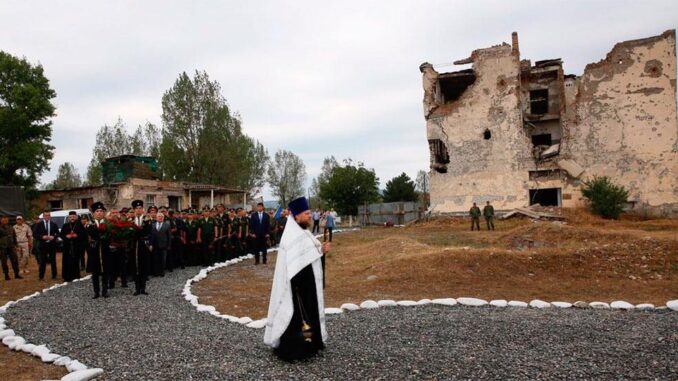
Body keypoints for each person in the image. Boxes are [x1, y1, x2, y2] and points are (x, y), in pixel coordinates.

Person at [264, 196, 329, 362]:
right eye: (306, 213)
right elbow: (293, 266)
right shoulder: (292, 236)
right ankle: (295, 350)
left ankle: (312, 345)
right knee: (297, 319)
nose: (309, 216)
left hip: (308, 287)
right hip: (296, 289)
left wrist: (322, 251)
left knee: (310, 315)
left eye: (309, 213)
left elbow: (309, 258)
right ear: (296, 216)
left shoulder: (304, 233)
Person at [87, 202, 111, 298]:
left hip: (105, 251)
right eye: (97, 211)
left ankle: (105, 291)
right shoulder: (90, 224)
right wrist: (101, 234)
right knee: (95, 273)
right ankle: (96, 292)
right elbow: (94, 235)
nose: (99, 213)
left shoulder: (108, 224)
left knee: (105, 272)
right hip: (94, 252)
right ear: (93, 213)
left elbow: (109, 236)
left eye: (101, 211)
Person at [130, 200, 151, 295]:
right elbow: (130, 234)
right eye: (136, 209)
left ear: (143, 209)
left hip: (143, 245)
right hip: (134, 247)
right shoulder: (130, 221)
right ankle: (137, 288)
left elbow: (147, 232)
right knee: (135, 267)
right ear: (134, 210)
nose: (138, 210)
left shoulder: (147, 220)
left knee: (144, 266)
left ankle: (143, 288)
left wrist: (138, 232)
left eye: (140, 208)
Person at [59, 211, 84, 282]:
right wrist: (66, 236)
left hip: (76, 246)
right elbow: (61, 235)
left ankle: (76, 276)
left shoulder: (79, 225)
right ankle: (67, 277)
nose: (72, 218)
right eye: (71, 217)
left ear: (76, 217)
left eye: (73, 216)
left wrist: (77, 235)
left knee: (75, 261)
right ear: (68, 218)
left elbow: (84, 235)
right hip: (67, 246)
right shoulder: (65, 225)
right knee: (67, 261)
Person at [34, 210, 59, 280]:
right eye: (46, 215)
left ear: (50, 216)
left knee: (53, 261)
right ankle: (41, 277)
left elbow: (57, 233)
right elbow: (35, 234)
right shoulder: (39, 224)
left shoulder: (54, 224)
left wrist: (54, 237)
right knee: (42, 261)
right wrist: (42, 237)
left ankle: (54, 276)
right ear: (43, 217)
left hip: (52, 245)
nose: (47, 217)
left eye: (49, 215)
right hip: (43, 245)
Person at [0, 216, 22, 280]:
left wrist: (16, 245)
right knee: (4, 262)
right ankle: (6, 275)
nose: (5, 221)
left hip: (11, 246)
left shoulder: (11, 227)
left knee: (15, 260)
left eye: (6, 220)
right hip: (2, 247)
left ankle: (16, 274)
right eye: (3, 220)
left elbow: (14, 237)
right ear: (1, 220)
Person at [150, 212, 171, 276]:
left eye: (162, 217)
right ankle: (156, 272)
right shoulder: (152, 225)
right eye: (159, 216)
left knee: (163, 259)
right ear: (156, 217)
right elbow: (151, 235)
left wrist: (169, 245)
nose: (160, 218)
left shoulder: (167, 225)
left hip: (163, 245)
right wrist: (150, 244)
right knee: (155, 259)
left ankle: (162, 272)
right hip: (155, 245)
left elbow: (169, 236)